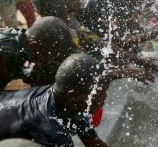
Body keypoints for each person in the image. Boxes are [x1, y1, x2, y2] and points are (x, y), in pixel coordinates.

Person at [0, 53, 141, 146]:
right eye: (100, 92)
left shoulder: (65, 98)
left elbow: (93, 143)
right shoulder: (55, 134)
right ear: (75, 96)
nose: (105, 97)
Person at [0, 16, 76, 88]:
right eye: (51, 56)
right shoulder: (6, 57)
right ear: (35, 46)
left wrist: (30, 74)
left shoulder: (15, 34)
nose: (50, 61)